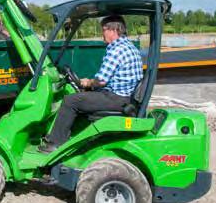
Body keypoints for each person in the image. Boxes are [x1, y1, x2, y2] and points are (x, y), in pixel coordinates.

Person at [39, 15, 143, 153]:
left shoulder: (116, 49)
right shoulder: (129, 46)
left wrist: (88, 82)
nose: (102, 35)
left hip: (115, 98)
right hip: (125, 97)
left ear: (112, 30)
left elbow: (101, 80)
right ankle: (69, 135)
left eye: (103, 30)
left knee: (70, 101)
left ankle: (56, 142)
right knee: (83, 96)